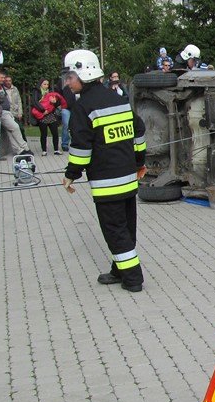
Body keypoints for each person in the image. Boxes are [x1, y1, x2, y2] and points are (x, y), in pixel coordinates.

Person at [62, 49, 147, 293]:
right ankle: (118, 270)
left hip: (107, 183)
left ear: (82, 73)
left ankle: (133, 278)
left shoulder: (84, 108)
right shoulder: (118, 99)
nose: (68, 82)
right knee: (126, 227)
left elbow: (81, 149)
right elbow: (138, 131)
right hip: (129, 179)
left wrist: (71, 175)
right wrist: (140, 161)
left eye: (70, 77)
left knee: (115, 231)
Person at [0, 69, 27, 155]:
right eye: (5, 80)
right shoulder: (3, 89)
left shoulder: (15, 89)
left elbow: (19, 101)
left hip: (16, 112)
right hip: (8, 112)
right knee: (14, 129)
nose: (8, 82)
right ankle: (22, 148)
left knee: (20, 129)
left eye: (9, 81)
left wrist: (20, 112)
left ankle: (23, 146)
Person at [31, 80, 66, 155]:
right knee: (44, 134)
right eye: (44, 84)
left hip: (50, 114)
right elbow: (35, 102)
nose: (46, 86)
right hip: (42, 115)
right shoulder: (36, 92)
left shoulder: (51, 92)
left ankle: (56, 150)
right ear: (40, 85)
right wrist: (43, 110)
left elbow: (56, 103)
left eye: (47, 84)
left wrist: (54, 102)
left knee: (55, 133)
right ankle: (44, 150)